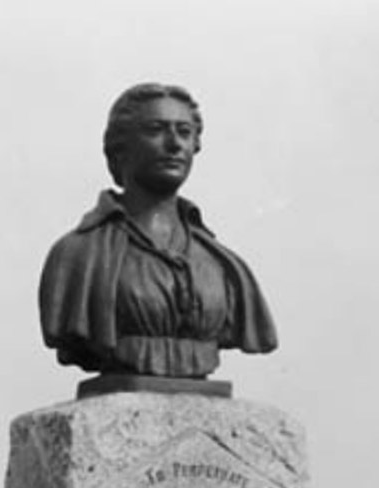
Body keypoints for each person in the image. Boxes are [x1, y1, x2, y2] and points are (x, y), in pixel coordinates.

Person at [39, 83, 277, 379]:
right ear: (120, 148)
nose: (175, 144)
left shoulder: (224, 265)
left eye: (184, 132)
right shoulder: (76, 255)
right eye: (155, 129)